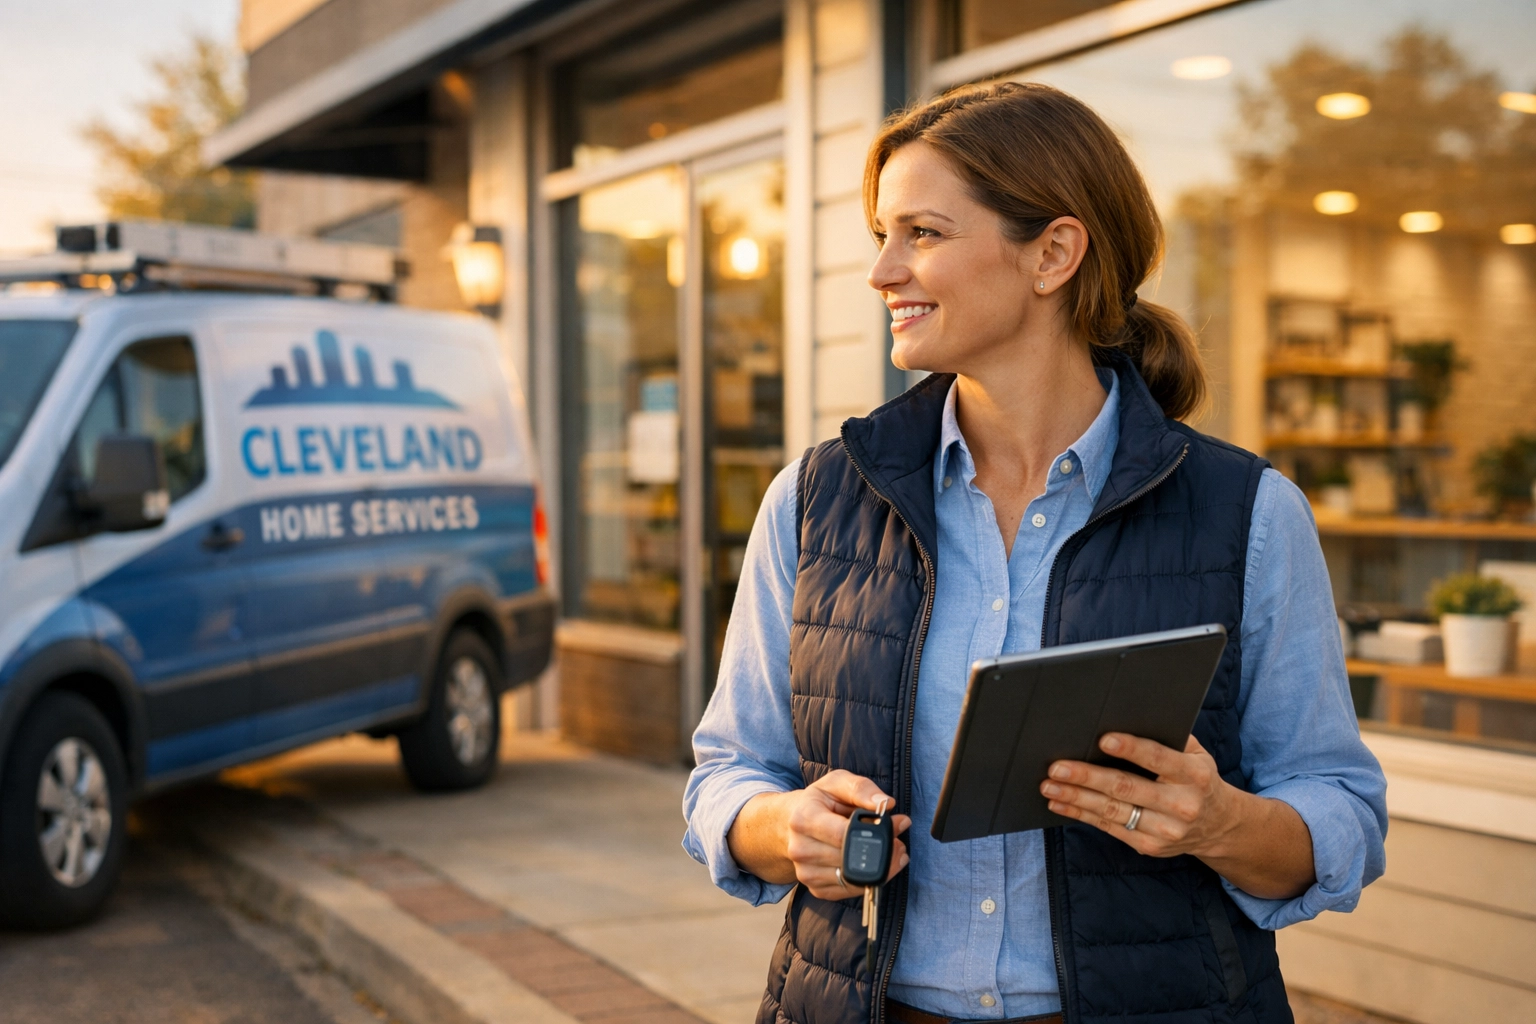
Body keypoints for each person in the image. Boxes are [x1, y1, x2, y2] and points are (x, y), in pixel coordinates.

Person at [683, 82, 1388, 1024]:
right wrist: (778, 827)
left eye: (922, 233)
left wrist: (1224, 824)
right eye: (879, 235)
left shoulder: (1248, 513)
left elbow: (1341, 809)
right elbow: (726, 772)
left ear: (1053, 253)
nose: (883, 270)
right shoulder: (816, 500)